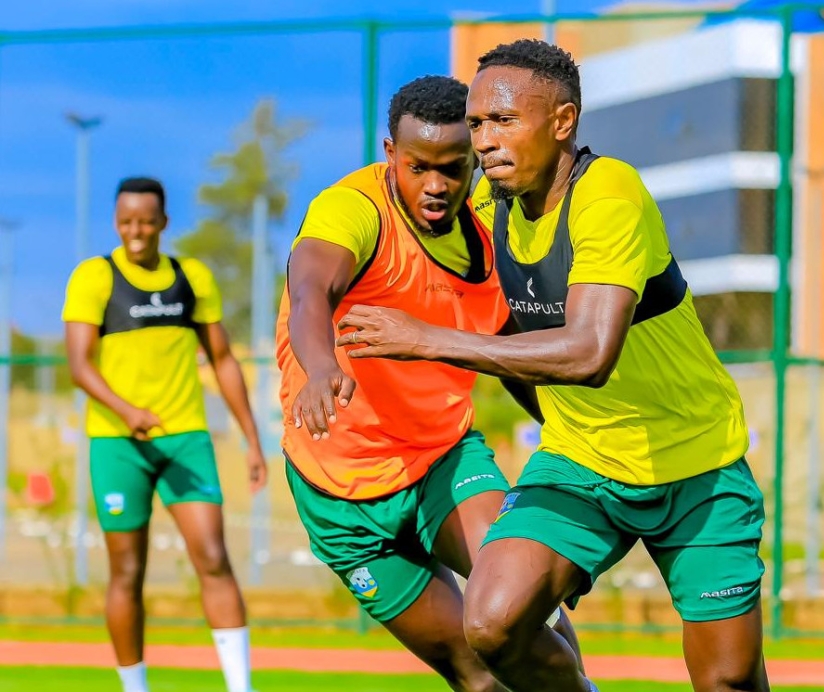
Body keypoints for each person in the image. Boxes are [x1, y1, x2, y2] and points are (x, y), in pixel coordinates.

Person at [336, 40, 771, 692]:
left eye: (504, 121)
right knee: (493, 622)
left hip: (695, 465)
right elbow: (495, 330)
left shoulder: (608, 196)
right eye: (477, 124)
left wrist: (427, 339)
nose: (484, 141)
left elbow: (589, 354)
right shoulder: (483, 215)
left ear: (563, 121)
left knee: (729, 679)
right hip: (580, 466)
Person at [275, 75, 580, 692]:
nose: (436, 185)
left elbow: (508, 348)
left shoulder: (495, 230)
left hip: (444, 457)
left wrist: (568, 423)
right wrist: (321, 367)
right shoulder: (352, 211)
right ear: (391, 152)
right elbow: (311, 291)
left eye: (453, 167)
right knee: (476, 675)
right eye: (418, 167)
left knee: (518, 607)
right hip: (339, 494)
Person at [63, 176, 266, 692]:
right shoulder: (94, 278)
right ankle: (136, 687)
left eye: (147, 222)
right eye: (127, 222)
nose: (137, 232)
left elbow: (222, 360)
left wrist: (251, 439)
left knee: (214, 558)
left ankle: (241, 687)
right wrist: (126, 410)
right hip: (117, 445)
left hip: (185, 440)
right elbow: (80, 366)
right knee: (127, 572)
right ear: (117, 221)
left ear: (163, 223)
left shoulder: (191, 276)